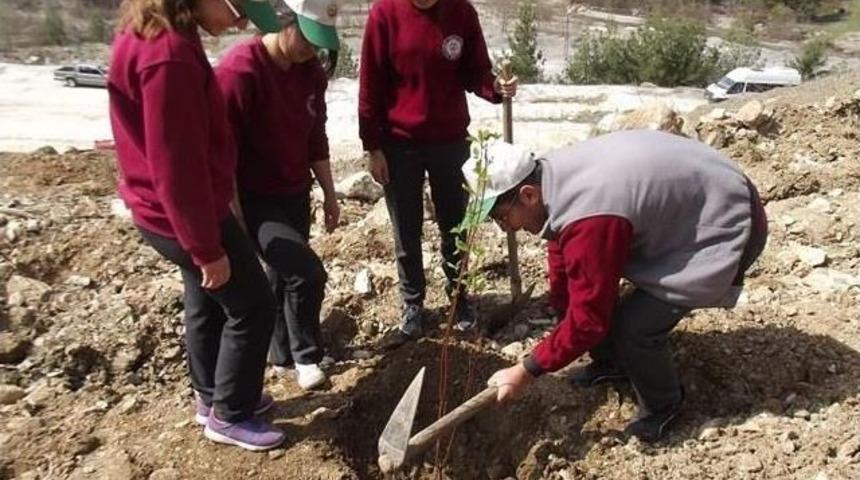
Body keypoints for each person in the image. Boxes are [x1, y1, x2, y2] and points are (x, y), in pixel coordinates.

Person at [471, 130, 768, 442]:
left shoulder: (590, 215)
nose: (507, 228)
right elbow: (561, 245)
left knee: (634, 327)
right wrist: (562, 302)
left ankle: (664, 406)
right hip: (695, 199)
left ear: (528, 195)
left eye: (502, 217)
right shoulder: (549, 178)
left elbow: (588, 320)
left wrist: (526, 370)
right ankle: (613, 363)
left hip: (727, 219)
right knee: (586, 297)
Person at [109, 0, 293, 451]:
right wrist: (206, 248)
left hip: (172, 208)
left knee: (206, 301)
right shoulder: (168, 56)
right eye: (239, 8)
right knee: (253, 304)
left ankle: (212, 395)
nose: (242, 22)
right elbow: (176, 167)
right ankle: (230, 414)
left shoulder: (160, 32)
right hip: (181, 212)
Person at [358, 0, 517, 339]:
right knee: (406, 228)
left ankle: (458, 296)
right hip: (399, 144)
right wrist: (373, 147)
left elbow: (475, 70)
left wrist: (495, 89)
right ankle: (413, 303)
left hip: (450, 140)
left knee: (455, 224)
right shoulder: (384, 14)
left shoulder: (461, 12)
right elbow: (370, 86)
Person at [215, 0, 339, 390]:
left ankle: (280, 353)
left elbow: (315, 137)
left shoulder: (310, 72)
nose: (312, 50)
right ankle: (307, 356)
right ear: (285, 20)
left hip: (294, 190)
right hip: (254, 198)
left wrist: (330, 194)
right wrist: (234, 216)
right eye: (307, 38)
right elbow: (222, 153)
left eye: (319, 43)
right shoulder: (240, 72)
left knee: (283, 274)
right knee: (306, 272)